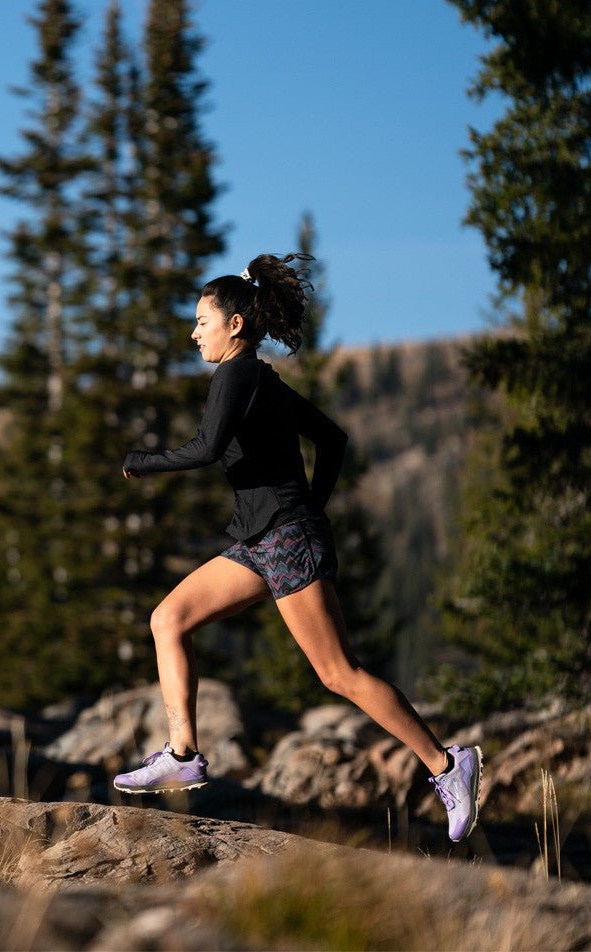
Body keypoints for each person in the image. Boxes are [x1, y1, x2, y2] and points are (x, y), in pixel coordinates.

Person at [113, 253, 482, 843]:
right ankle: (182, 754)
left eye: (202, 321)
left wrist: (142, 461)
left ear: (235, 324)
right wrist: (314, 507)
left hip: (285, 538)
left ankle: (446, 764)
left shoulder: (236, 376)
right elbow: (333, 440)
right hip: (262, 540)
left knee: (338, 673)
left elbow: (207, 448)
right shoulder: (265, 382)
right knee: (169, 620)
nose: (194, 333)